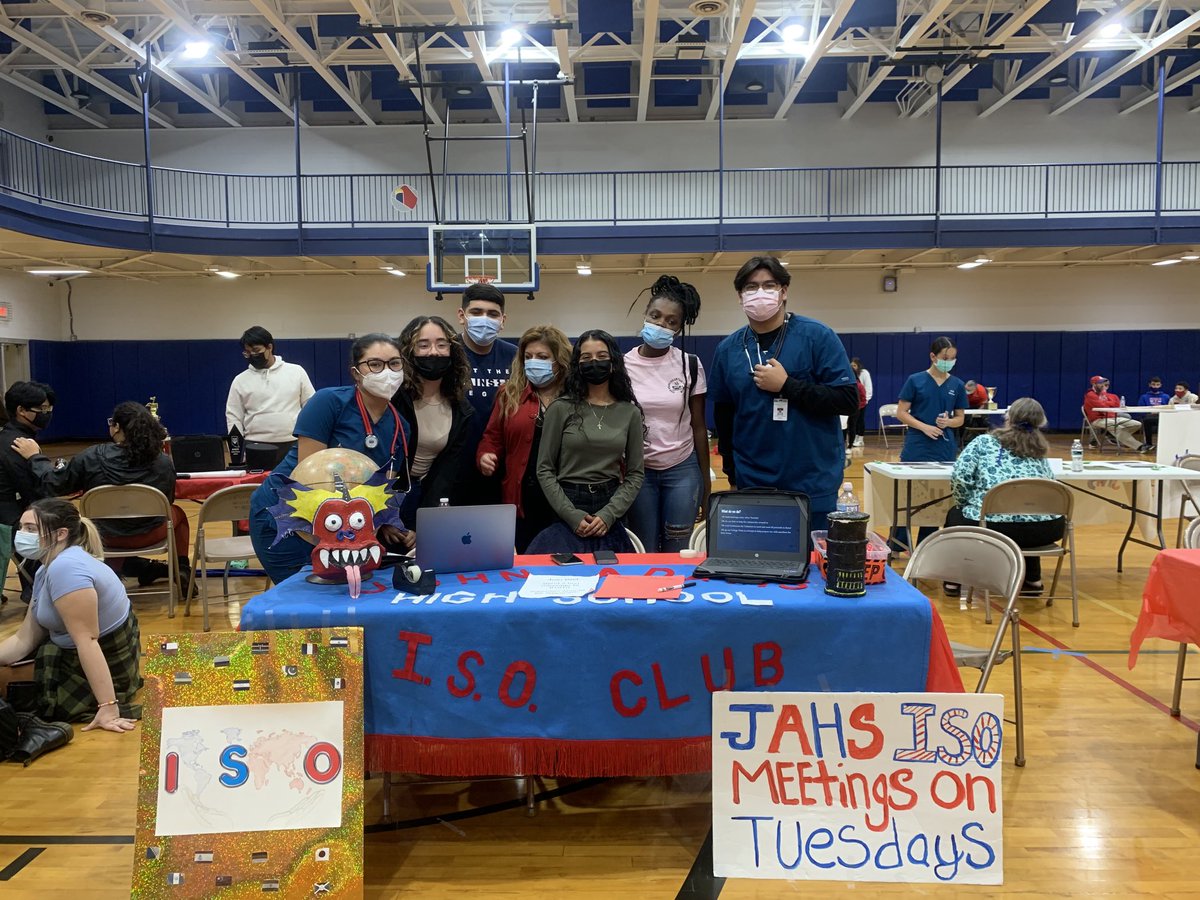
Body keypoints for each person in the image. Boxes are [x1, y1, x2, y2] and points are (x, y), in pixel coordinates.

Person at [708, 256, 858, 532]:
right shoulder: (728, 349)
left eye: (769, 285)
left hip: (812, 481)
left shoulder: (817, 336)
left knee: (812, 569)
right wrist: (732, 473)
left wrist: (788, 386)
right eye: (751, 287)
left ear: (784, 291)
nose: (760, 293)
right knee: (758, 565)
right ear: (740, 296)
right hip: (753, 481)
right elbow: (724, 418)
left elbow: (847, 400)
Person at [249, 334, 411, 584]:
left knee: (341, 599)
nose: (386, 372)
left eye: (394, 363)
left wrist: (386, 524)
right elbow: (310, 481)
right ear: (356, 372)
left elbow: (380, 491)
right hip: (288, 518)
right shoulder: (328, 402)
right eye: (375, 364)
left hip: (343, 528)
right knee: (306, 600)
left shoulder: (402, 426)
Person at [14, 402, 189, 590]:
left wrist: (35, 457)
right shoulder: (162, 461)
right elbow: (167, 500)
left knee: (93, 522)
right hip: (150, 534)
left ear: (117, 428)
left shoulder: (91, 456)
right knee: (176, 512)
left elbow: (54, 485)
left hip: (103, 537)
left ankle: (116, 572)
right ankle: (183, 568)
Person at [0, 498, 140, 730]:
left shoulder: (66, 569)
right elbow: (23, 640)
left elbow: (88, 642)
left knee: (7, 686)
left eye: (31, 529)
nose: (22, 534)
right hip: (73, 654)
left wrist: (108, 707)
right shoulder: (47, 567)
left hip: (100, 667)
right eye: (22, 527)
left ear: (61, 534)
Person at [536, 330, 645, 552]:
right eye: (586, 358)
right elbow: (544, 469)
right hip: (567, 504)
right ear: (577, 364)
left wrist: (608, 515)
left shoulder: (629, 412)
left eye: (601, 356)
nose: (594, 362)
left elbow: (635, 473)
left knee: (616, 580)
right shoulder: (561, 408)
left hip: (610, 505)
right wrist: (572, 515)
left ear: (614, 362)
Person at [944, 398, 1065, 595]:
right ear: (1041, 422)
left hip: (995, 527)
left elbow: (960, 477)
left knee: (956, 515)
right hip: (1045, 529)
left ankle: (953, 580)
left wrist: (965, 503)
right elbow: (1048, 487)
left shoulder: (984, 442)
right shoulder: (1040, 450)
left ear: (1008, 417)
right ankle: (1033, 579)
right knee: (1027, 509)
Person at [624, 275, 710, 553]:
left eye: (671, 321)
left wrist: (706, 488)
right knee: (643, 548)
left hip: (682, 468)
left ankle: (678, 595)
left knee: (678, 548)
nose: (661, 324)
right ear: (645, 315)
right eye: (656, 316)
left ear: (679, 327)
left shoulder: (690, 365)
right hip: (638, 471)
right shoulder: (622, 366)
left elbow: (698, 426)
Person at [477, 325, 572, 552]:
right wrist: (485, 455)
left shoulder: (576, 396)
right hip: (523, 496)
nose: (533, 362)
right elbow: (493, 436)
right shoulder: (509, 393)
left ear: (560, 360)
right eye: (528, 357)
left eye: (542, 357)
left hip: (567, 497)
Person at [392, 315, 475, 523]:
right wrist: (388, 517)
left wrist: (426, 522)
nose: (434, 352)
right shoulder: (394, 398)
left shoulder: (460, 408)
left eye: (441, 344)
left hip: (425, 495)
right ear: (408, 352)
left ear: (452, 350)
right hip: (387, 495)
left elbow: (446, 472)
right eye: (423, 345)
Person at [457, 284, 518, 506]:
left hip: (501, 465)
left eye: (493, 314)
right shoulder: (447, 353)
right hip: (454, 466)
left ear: (503, 320)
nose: (485, 319)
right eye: (476, 312)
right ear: (462, 316)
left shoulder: (515, 356)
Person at [226, 325, 315, 465]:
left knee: (294, 485)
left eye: (256, 350)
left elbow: (311, 407)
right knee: (258, 486)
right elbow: (233, 417)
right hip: (255, 446)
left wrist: (310, 442)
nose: (252, 356)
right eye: (247, 353)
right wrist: (237, 452)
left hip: (292, 444)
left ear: (269, 347)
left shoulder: (296, 372)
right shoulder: (240, 380)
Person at [0, 381, 56, 600]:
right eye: (41, 409)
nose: (46, 414)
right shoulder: (17, 443)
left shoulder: (12, 435)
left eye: (48, 409)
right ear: (21, 410)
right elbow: (35, 490)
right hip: (9, 519)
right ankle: (36, 587)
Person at [896, 337, 968, 463]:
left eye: (953, 358)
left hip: (944, 446)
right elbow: (901, 413)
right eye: (945, 358)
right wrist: (924, 427)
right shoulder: (915, 380)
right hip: (917, 444)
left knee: (942, 482)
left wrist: (948, 422)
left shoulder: (958, 385)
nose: (949, 362)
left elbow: (960, 419)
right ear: (933, 357)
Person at [1083, 375, 1145, 451]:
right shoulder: (1090, 395)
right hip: (1098, 419)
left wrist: (1106, 403)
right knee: (1118, 428)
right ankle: (1140, 447)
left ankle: (1118, 437)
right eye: (1100, 383)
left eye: (1104, 383)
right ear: (1094, 384)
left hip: (1112, 417)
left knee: (1137, 424)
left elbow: (1117, 405)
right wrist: (1108, 403)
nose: (1103, 385)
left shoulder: (1104, 394)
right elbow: (1102, 407)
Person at [1138, 376, 1171, 449]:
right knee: (1146, 420)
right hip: (1149, 416)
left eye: (1157, 385)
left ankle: (1164, 443)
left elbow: (1170, 408)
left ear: (1160, 385)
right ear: (1149, 385)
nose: (1155, 386)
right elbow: (1140, 409)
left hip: (1162, 417)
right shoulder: (1144, 397)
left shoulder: (1166, 396)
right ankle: (1149, 444)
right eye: (1153, 384)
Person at [846, 358, 872, 449]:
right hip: (853, 403)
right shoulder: (850, 374)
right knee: (852, 423)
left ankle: (860, 439)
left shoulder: (864, 373)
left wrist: (864, 402)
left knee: (860, 420)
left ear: (859, 366)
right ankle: (853, 439)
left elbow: (868, 389)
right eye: (851, 365)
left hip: (862, 402)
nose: (852, 367)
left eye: (854, 365)